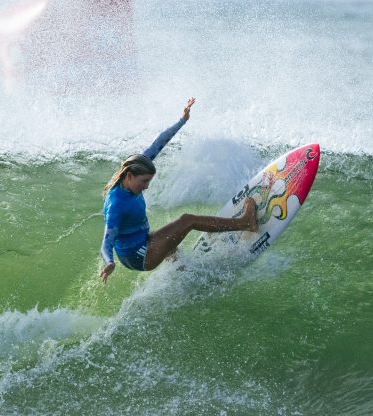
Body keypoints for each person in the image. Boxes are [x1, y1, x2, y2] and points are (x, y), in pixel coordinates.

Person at [100, 97, 257, 284]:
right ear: (130, 176)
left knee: (171, 242)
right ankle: (246, 223)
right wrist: (109, 262)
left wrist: (182, 120)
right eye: (144, 181)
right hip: (138, 256)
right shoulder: (117, 203)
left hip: (143, 240)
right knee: (187, 221)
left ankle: (184, 277)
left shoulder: (136, 168)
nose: (146, 186)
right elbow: (106, 242)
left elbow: (158, 143)